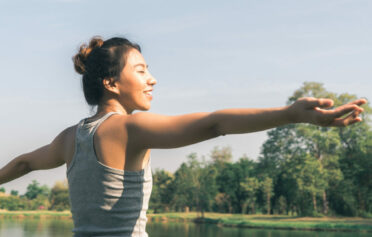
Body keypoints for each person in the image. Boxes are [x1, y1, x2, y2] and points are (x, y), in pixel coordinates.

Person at [0, 36, 366, 237]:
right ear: (111, 83)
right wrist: (289, 115)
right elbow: (213, 124)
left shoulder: (69, 138)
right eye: (141, 70)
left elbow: (25, 162)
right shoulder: (128, 128)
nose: (152, 79)